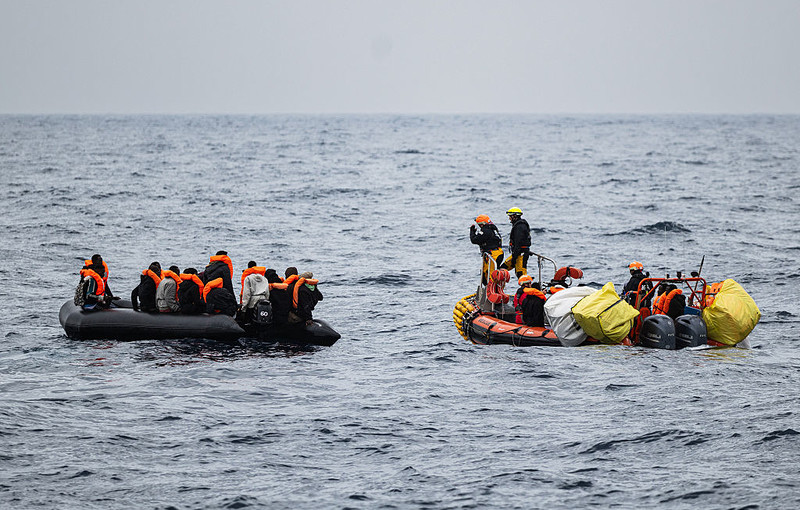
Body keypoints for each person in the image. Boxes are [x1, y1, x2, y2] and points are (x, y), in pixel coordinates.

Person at [470, 214, 504, 284]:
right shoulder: (492, 229)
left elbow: (474, 240)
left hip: (494, 255)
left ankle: (492, 291)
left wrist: (472, 232)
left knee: (491, 275)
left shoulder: (485, 231)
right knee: (484, 274)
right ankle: (489, 290)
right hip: (494, 253)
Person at [501, 207, 531, 278]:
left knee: (521, 274)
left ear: (514, 216)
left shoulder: (520, 227)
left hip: (520, 254)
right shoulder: (518, 225)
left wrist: (514, 257)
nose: (509, 218)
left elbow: (518, 243)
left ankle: (527, 288)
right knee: (502, 269)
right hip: (517, 253)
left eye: (510, 216)